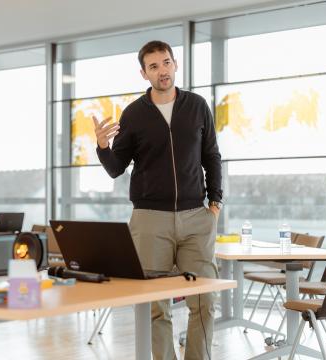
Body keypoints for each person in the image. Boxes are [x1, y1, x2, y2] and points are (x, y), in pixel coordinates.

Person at [94, 40, 222, 360]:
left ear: (175, 64)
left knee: (205, 299)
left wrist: (215, 203)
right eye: (154, 66)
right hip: (150, 218)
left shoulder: (197, 106)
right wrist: (102, 147)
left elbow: (212, 156)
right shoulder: (134, 114)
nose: (162, 70)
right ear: (144, 73)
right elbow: (115, 169)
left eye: (166, 63)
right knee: (155, 306)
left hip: (196, 216)